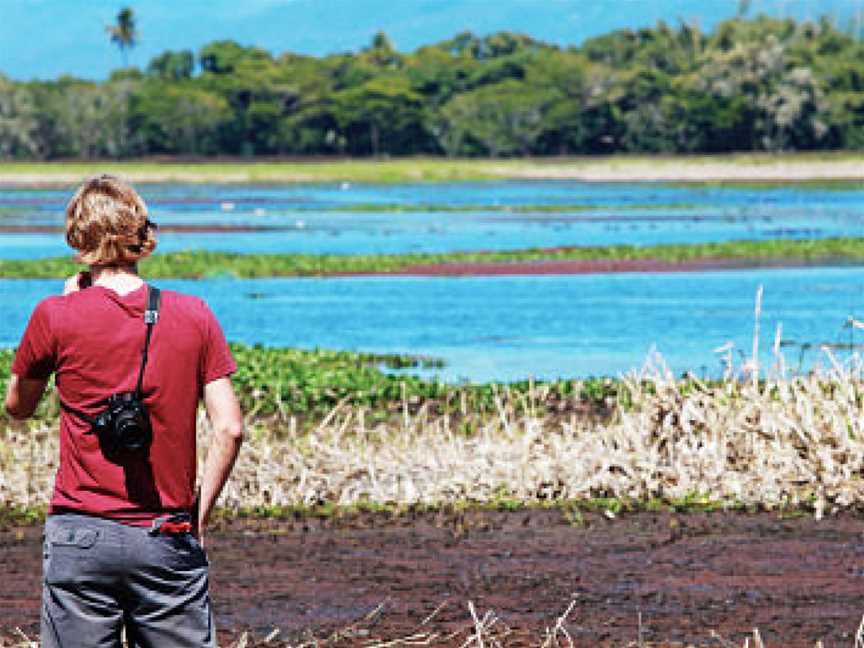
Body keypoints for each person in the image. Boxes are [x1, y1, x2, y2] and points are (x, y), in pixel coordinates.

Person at [3, 174, 244, 647]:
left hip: (81, 535)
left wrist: (70, 308)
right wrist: (197, 521)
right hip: (165, 531)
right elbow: (230, 429)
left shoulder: (54, 314)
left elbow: (18, 407)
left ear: (78, 240)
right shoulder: (195, 314)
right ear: (142, 238)